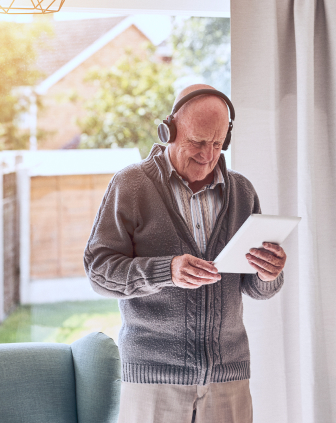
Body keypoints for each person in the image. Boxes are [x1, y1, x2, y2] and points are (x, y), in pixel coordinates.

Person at [84, 84, 287, 423]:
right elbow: (99, 272)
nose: (208, 155)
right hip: (153, 379)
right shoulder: (130, 186)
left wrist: (269, 273)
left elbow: (255, 287)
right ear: (169, 131)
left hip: (229, 378)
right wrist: (167, 271)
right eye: (197, 142)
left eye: (218, 144)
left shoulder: (242, 192)